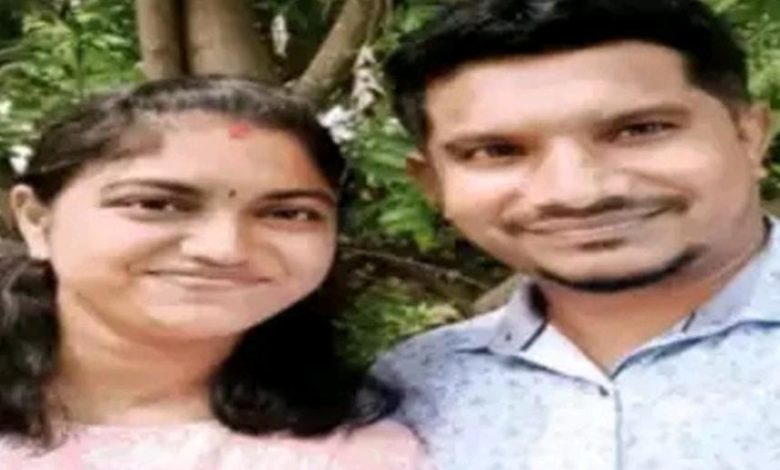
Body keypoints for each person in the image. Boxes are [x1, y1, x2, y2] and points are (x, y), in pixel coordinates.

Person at [374, 0, 780, 468]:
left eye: (640, 130)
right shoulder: (408, 392)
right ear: (433, 184)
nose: (577, 192)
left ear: (750, 137)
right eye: (496, 151)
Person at [0, 76, 427, 469]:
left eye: (287, 213)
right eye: (156, 204)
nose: (225, 250)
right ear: (36, 221)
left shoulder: (364, 452)